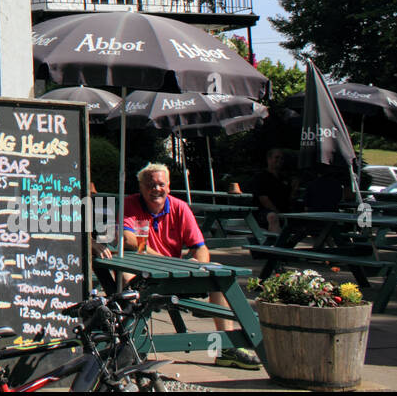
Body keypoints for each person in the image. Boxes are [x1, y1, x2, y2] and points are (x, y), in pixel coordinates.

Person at [122, 163, 260, 370]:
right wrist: (165, 261)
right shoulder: (130, 204)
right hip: (146, 274)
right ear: (140, 186)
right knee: (124, 275)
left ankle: (227, 349)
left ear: (168, 186)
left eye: (160, 184)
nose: (155, 189)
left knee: (219, 276)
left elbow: (200, 247)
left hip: (175, 276)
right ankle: (128, 342)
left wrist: (199, 265)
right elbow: (129, 240)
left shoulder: (179, 207)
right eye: (150, 184)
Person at [253, 148, 295, 233]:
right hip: (264, 213)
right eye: (277, 157)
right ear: (269, 159)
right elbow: (264, 199)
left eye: (282, 158)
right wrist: (279, 214)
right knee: (273, 216)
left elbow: (290, 198)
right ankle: (277, 244)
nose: (280, 160)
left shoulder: (284, 178)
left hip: (285, 212)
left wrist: (295, 187)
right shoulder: (261, 177)